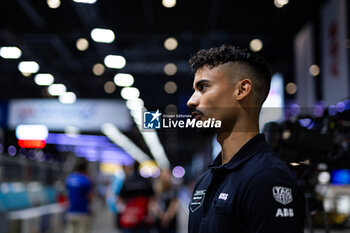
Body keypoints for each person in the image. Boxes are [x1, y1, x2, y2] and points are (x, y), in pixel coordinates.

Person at [186, 44, 305, 233]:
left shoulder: (268, 178)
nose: (191, 101)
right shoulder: (205, 180)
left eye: (203, 87)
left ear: (242, 90)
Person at [117, 161, 155, 233]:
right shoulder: (146, 181)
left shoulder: (127, 181)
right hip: (143, 217)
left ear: (132, 168)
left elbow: (119, 198)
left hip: (129, 218)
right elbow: (152, 199)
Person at [65, 160, 93, 233]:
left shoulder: (69, 178)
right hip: (82, 211)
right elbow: (89, 196)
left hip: (71, 210)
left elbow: (66, 193)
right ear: (85, 170)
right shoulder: (85, 180)